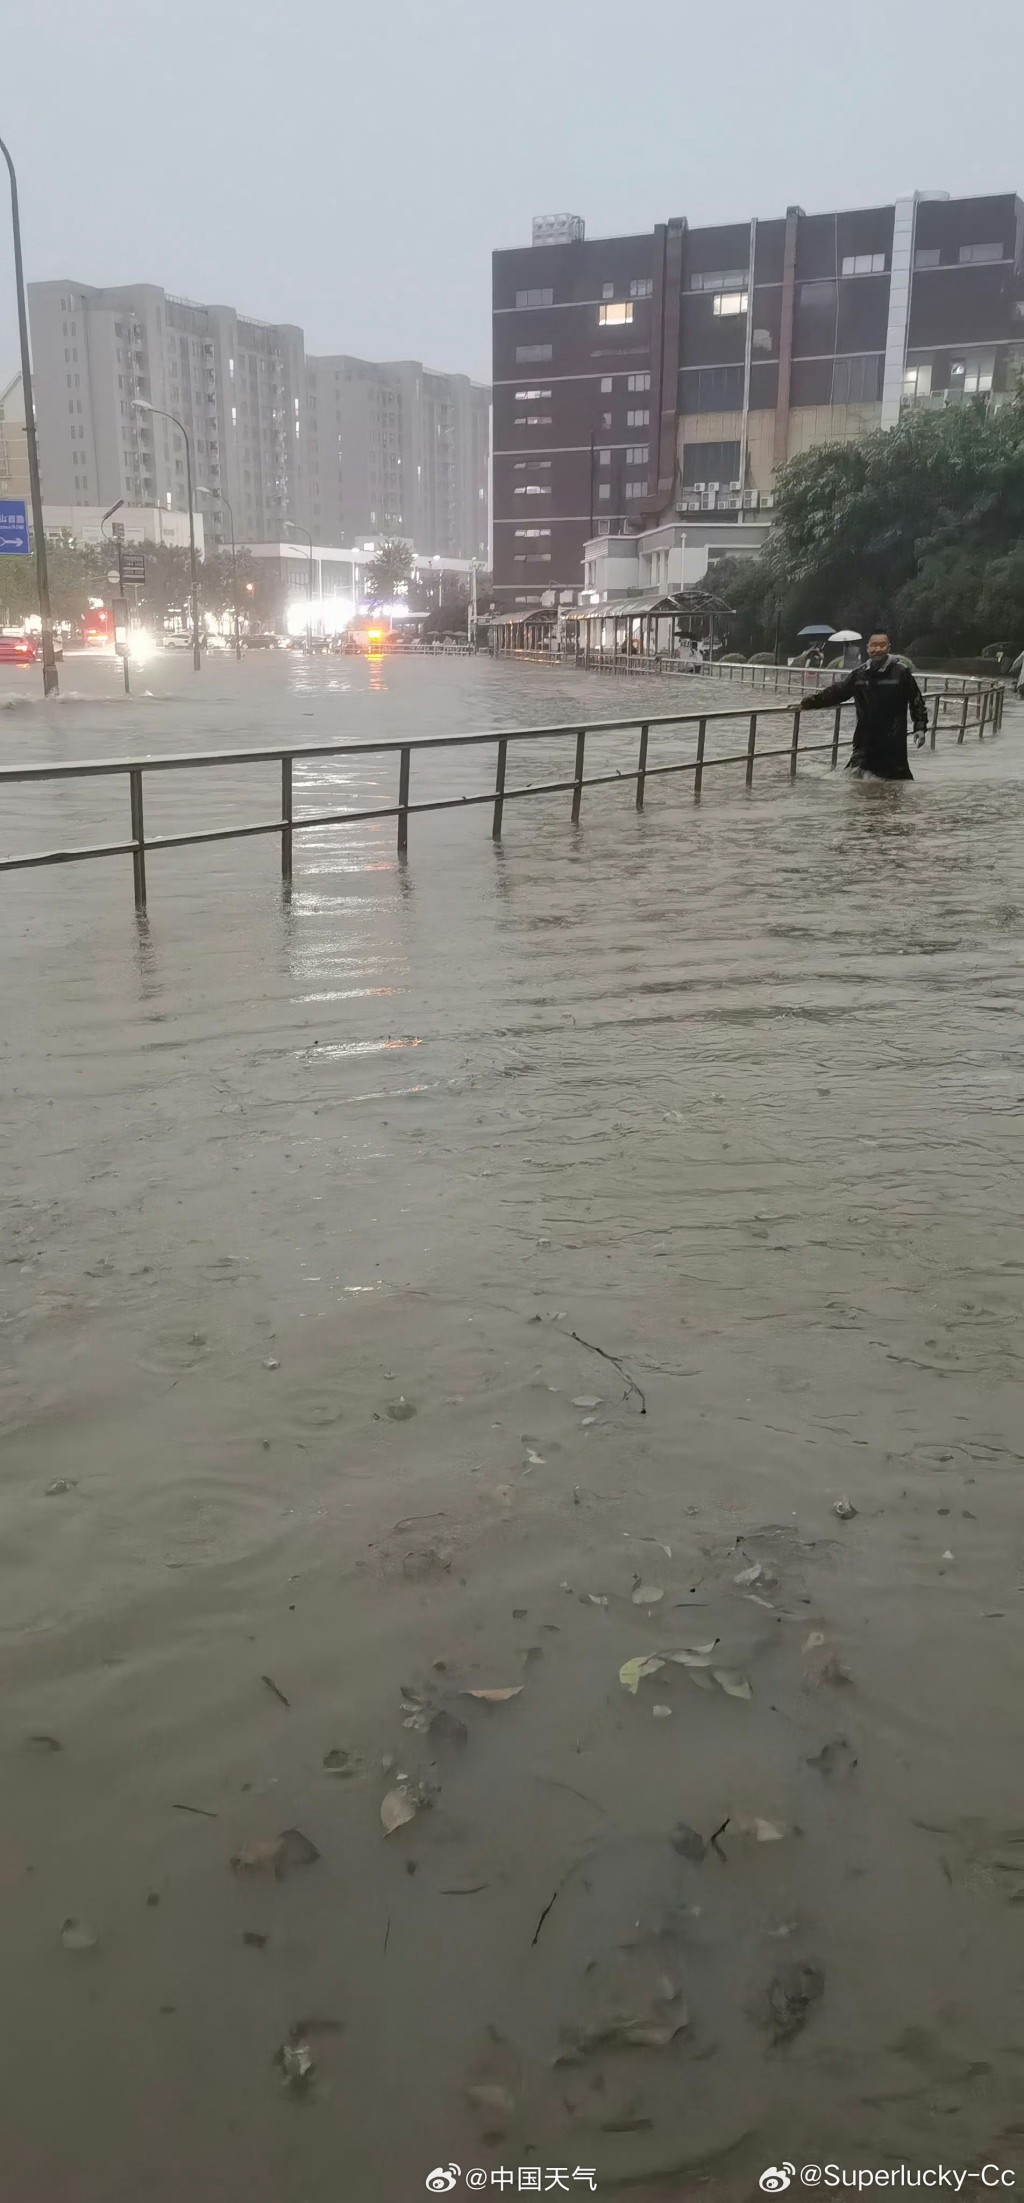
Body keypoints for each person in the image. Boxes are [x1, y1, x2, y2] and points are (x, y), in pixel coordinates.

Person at [798, 631, 928, 779]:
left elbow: (916, 700)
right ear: (867, 648)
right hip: (865, 742)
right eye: (873, 645)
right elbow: (837, 693)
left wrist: (920, 728)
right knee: (854, 782)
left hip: (893, 742)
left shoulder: (901, 673)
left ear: (889, 647)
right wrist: (807, 703)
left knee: (895, 784)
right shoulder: (859, 674)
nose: (877, 649)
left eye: (882, 645)